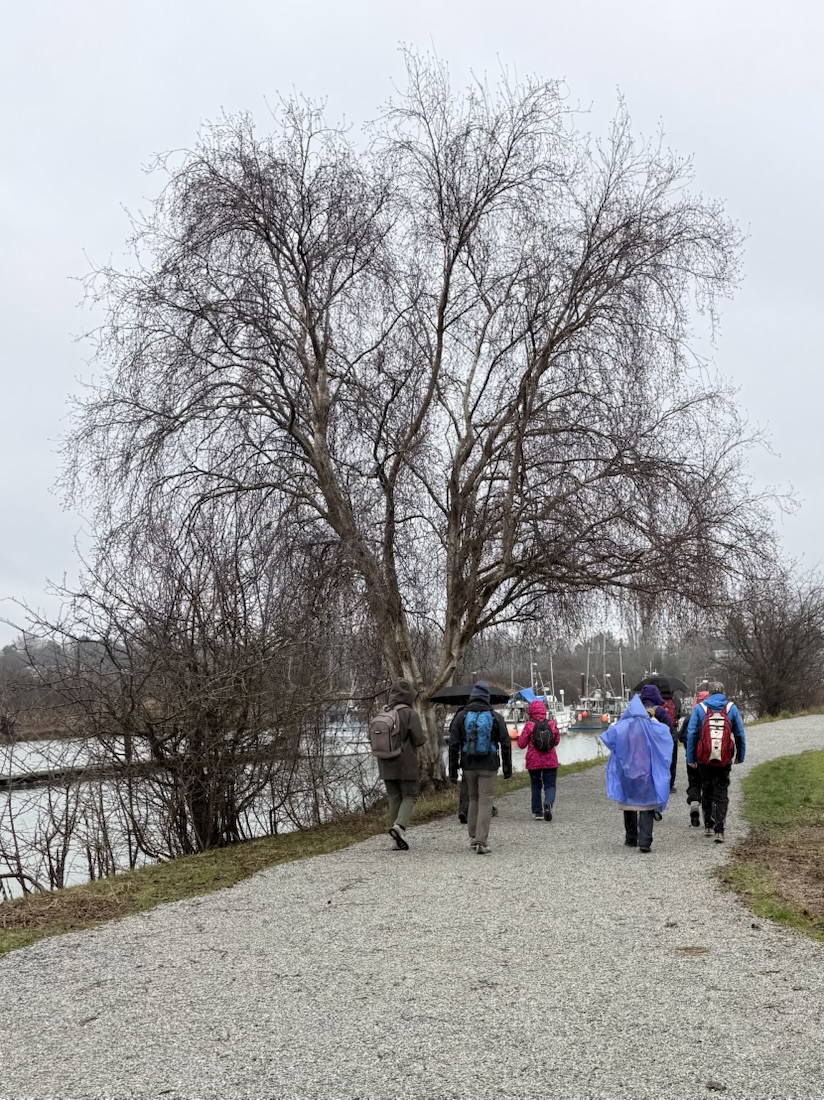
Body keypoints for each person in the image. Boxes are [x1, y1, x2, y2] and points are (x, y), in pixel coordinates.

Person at [600, 693, 672, 853]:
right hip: (647, 771)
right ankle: (645, 841)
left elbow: (608, 737)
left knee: (628, 803)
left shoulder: (623, 726)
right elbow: (666, 735)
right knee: (647, 805)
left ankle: (631, 837)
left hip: (627, 770)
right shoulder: (651, 725)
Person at [449, 681, 512, 854]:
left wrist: (452, 771)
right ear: (487, 698)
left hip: (468, 765)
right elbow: (506, 743)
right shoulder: (495, 717)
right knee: (486, 801)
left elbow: (453, 745)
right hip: (489, 764)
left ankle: (472, 836)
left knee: (473, 798)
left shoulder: (461, 716)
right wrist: (507, 769)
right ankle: (481, 841)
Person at [685, 680, 746, 843]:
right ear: (723, 693)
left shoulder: (700, 708)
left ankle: (708, 827)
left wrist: (691, 758)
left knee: (707, 790)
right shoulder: (730, 708)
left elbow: (691, 734)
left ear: (710, 693)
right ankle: (720, 829)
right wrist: (740, 755)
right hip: (724, 759)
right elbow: (739, 733)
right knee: (721, 792)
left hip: (704, 759)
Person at [376, 678, 426, 851]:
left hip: (384, 761)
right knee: (410, 794)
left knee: (394, 797)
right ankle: (399, 826)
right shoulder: (410, 714)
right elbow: (418, 740)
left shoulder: (383, 711)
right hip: (405, 762)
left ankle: (395, 839)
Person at [517, 698, 561, 821]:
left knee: (536, 786)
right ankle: (548, 803)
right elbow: (556, 741)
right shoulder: (551, 724)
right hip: (550, 761)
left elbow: (521, 744)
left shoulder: (529, 725)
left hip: (533, 762)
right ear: (544, 710)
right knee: (550, 786)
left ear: (530, 711)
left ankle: (538, 812)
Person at [679, 690, 709, 826]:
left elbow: (681, 737)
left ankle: (695, 804)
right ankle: (710, 816)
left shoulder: (690, 717)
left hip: (692, 758)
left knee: (694, 783)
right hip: (709, 758)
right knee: (708, 785)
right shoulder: (714, 715)